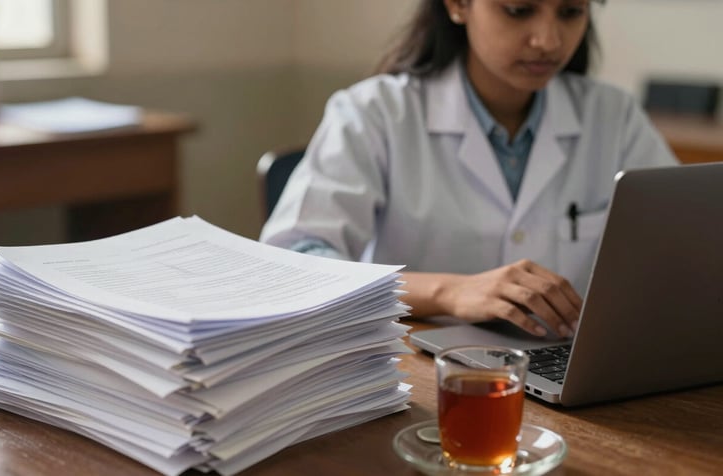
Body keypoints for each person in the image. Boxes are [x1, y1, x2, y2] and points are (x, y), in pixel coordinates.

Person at [260, 0, 677, 338]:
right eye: (519, 10)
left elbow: (685, 245)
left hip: (564, 366)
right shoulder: (375, 112)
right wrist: (448, 292)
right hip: (412, 374)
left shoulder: (613, 115)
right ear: (458, 5)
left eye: (570, 12)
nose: (549, 40)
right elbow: (295, 262)